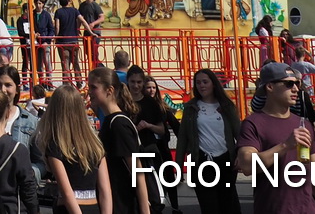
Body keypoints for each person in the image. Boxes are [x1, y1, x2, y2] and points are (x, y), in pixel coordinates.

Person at [235, 62, 315, 214]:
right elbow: (246, 166)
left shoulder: (303, 123)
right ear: (270, 87)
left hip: (308, 209)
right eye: (288, 84)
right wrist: (285, 145)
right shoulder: (253, 123)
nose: (296, 89)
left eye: (297, 84)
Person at [34, 85, 110, 214]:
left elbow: (67, 194)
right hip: (94, 206)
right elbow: (105, 191)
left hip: (68, 209)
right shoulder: (95, 145)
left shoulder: (55, 145)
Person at [86, 68, 147, 214]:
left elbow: (137, 170)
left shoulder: (118, 124)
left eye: (93, 87)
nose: (89, 91)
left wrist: (145, 210)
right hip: (115, 200)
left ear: (109, 90)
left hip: (123, 202)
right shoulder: (109, 120)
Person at [179, 69, 238, 214]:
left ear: (213, 84)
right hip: (202, 161)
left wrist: (242, 156)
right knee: (209, 207)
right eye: (198, 83)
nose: (201, 85)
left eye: (205, 82)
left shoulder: (226, 106)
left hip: (225, 161)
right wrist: (179, 166)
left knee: (230, 206)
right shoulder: (191, 107)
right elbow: (182, 138)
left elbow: (239, 133)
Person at [133, 72, 179, 214]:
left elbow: (175, 126)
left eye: (153, 87)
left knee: (169, 178)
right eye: (148, 88)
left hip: (162, 146)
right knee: (153, 179)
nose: (151, 90)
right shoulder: (139, 106)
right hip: (148, 147)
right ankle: (155, 206)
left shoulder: (162, 106)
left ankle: (175, 206)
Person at [55, 0, 84, 80]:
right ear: (68, 2)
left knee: (65, 63)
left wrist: (56, 37)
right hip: (74, 40)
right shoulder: (74, 10)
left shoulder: (58, 11)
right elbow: (82, 20)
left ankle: (67, 82)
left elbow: (57, 26)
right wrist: (91, 32)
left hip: (63, 41)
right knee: (75, 62)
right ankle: (79, 81)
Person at [79, 0, 104, 66]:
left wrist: (93, 23)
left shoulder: (95, 5)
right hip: (86, 32)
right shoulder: (82, 5)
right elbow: (80, 18)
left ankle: (100, 68)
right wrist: (78, 28)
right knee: (87, 52)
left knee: (94, 52)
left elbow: (102, 17)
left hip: (95, 32)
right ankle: (94, 68)